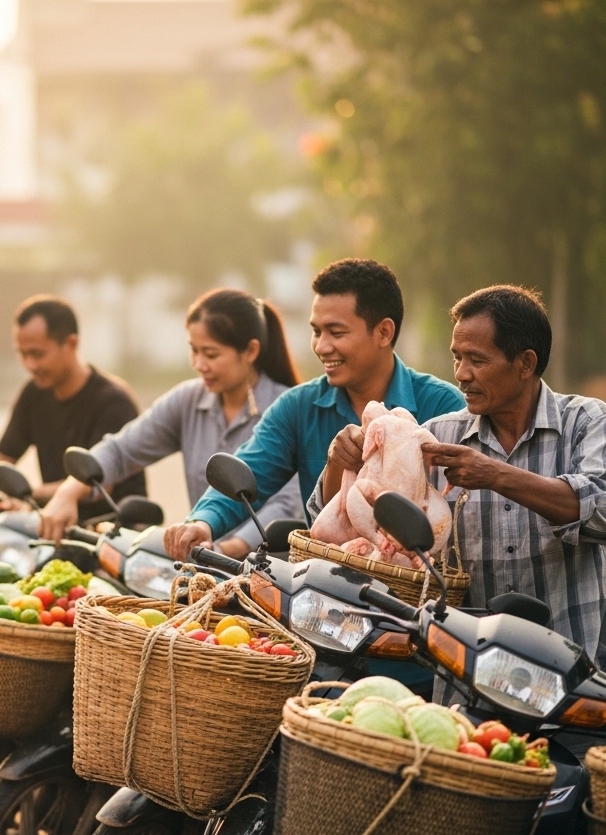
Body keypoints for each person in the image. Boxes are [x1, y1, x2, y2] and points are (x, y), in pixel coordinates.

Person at [164, 258, 465, 559]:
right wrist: (203, 522)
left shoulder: (444, 406)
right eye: (317, 331)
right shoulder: (297, 407)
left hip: (420, 582)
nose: (321, 346)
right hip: (322, 580)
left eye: (336, 332)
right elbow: (252, 467)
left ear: (384, 332)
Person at [38, 288, 304, 557]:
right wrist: (68, 492)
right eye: (194, 351)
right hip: (203, 559)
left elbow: (286, 504)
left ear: (250, 351)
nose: (199, 364)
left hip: (269, 567)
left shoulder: (287, 408)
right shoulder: (188, 400)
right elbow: (122, 450)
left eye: (211, 354)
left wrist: (225, 549)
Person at [421, 285, 606, 669]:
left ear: (525, 363)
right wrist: (343, 459)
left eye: (477, 359)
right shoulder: (439, 436)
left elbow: (601, 509)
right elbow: (367, 523)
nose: (461, 374)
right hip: (468, 671)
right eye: (457, 357)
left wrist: (495, 475)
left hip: (572, 668)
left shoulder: (586, 422)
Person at [0, 295, 146, 516]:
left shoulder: (113, 401)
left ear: (71, 343)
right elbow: (1, 460)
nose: (30, 365)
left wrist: (28, 494)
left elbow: (100, 484)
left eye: (38, 354)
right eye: (23, 354)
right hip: (56, 523)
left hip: (113, 529)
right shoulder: (33, 394)